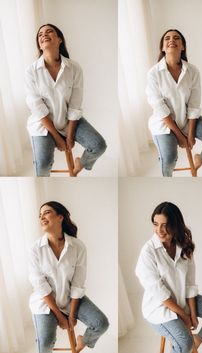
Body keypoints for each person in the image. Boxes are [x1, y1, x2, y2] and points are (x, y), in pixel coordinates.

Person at [135, 202, 202, 353]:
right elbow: (160, 293)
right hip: (159, 307)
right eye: (155, 224)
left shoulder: (184, 246)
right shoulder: (148, 252)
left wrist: (192, 313)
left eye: (165, 225)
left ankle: (197, 341)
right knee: (184, 343)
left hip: (182, 298)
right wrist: (185, 317)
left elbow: (189, 284)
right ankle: (186, 344)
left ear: (175, 225)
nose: (159, 230)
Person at [25, 24, 107, 177]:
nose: (44, 35)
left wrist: (69, 137)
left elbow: (75, 106)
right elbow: (37, 108)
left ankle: (78, 166)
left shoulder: (74, 68)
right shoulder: (31, 72)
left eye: (49, 31)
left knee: (99, 145)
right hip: (43, 124)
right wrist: (58, 138)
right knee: (43, 163)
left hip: (68, 119)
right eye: (40, 34)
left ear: (60, 39)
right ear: (39, 44)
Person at [29, 201, 109, 353]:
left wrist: (71, 316)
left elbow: (78, 284)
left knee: (101, 323)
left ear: (60, 217)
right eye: (40, 215)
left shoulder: (78, 246)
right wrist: (60, 317)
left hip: (70, 298)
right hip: (45, 302)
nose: (42, 217)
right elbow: (40, 286)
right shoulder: (35, 249)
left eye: (46, 212)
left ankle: (82, 342)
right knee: (45, 342)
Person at [146, 29, 202, 177]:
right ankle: (166, 172)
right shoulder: (153, 73)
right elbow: (160, 108)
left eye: (176, 38)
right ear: (163, 48)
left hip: (187, 119)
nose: (172, 40)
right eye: (167, 38)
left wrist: (190, 134)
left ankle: (200, 159)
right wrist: (181, 136)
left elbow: (194, 105)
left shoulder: (193, 71)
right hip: (164, 124)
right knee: (169, 159)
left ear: (182, 46)